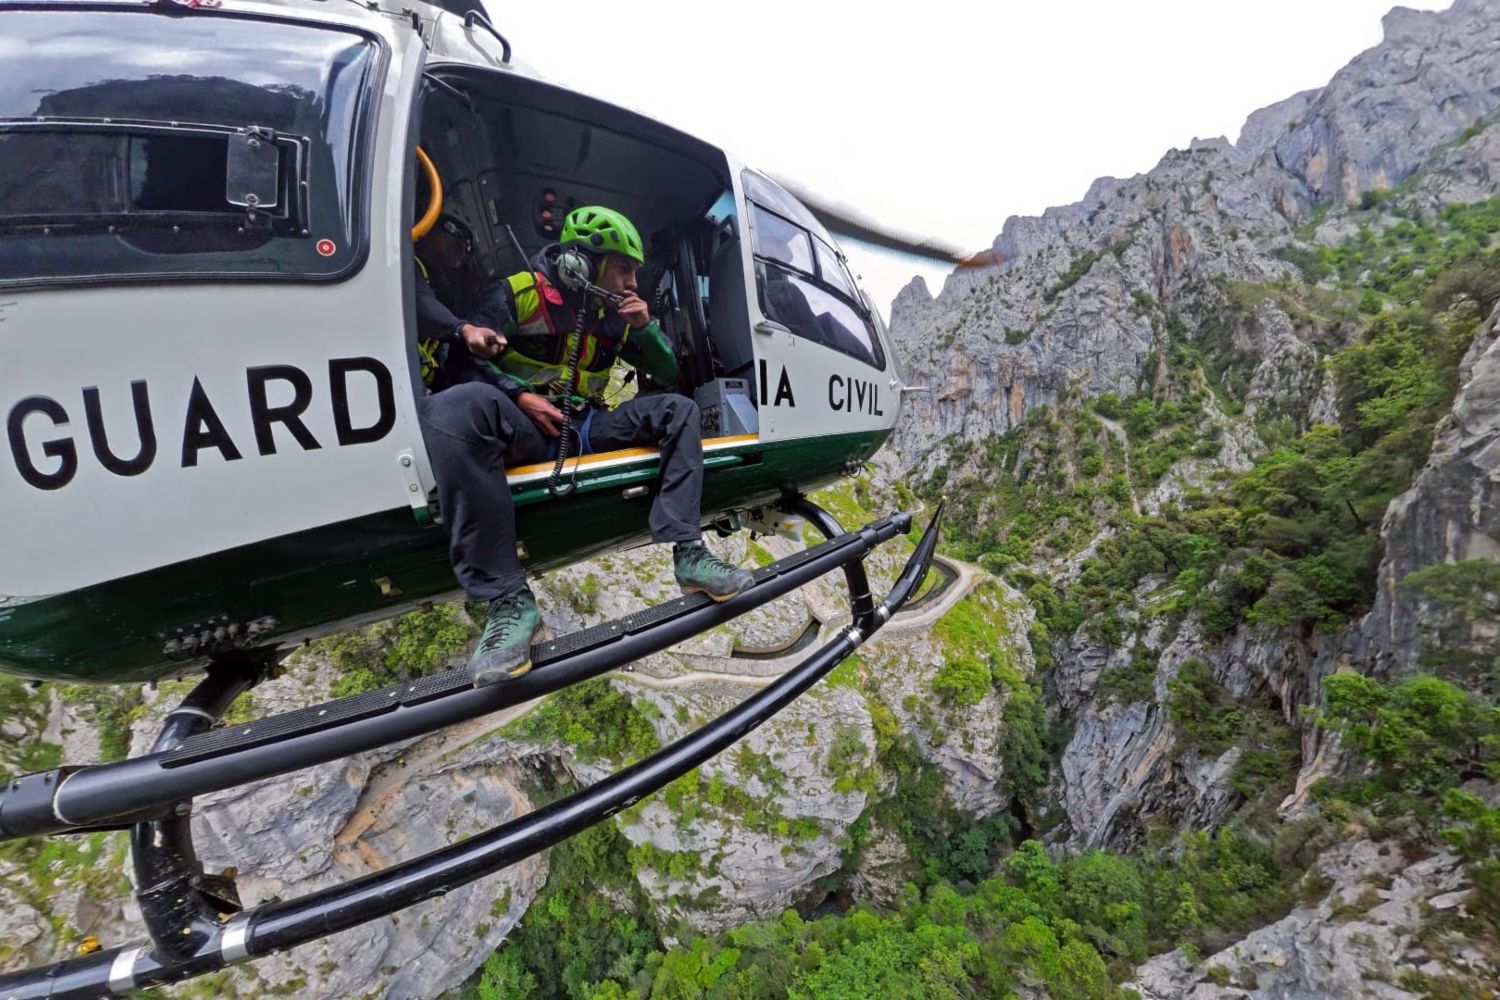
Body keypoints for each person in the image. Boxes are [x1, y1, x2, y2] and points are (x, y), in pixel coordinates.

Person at [416, 205, 753, 687]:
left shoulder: (614, 315)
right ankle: (509, 603)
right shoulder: (519, 293)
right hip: (529, 426)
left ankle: (688, 552)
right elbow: (458, 363)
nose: (633, 281)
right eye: (624, 267)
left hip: (589, 423)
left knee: (678, 409)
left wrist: (645, 329)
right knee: (453, 408)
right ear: (582, 262)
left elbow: (664, 373)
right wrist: (520, 395)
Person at [413, 214, 505, 384]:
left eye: (468, 242)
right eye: (453, 229)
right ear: (429, 226)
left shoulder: (450, 290)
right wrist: (465, 330)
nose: (462, 244)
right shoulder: (408, 267)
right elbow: (420, 304)